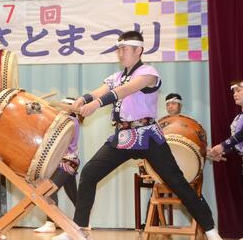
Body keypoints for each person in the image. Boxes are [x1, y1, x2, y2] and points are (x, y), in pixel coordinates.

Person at [51, 31, 223, 240]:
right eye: (119, 49)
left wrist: (96, 104)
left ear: (138, 50)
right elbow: (100, 90)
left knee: (177, 182)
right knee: (89, 173)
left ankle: (211, 229)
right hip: (123, 137)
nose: (120, 53)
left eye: (124, 49)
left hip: (148, 136)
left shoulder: (149, 73)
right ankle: (78, 231)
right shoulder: (117, 76)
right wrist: (82, 99)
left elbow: (124, 91)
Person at [34, 98, 81, 233]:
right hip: (63, 162)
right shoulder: (66, 119)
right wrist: (34, 107)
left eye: (64, 105)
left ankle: (50, 223)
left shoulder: (71, 121)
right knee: (73, 194)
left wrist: (40, 109)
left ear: (71, 108)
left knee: (49, 190)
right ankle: (84, 220)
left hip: (66, 161)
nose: (60, 108)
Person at [207, 80, 243, 168]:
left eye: (238, 91)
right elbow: (237, 144)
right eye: (234, 92)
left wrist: (222, 146)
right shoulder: (238, 118)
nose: (234, 94)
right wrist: (221, 152)